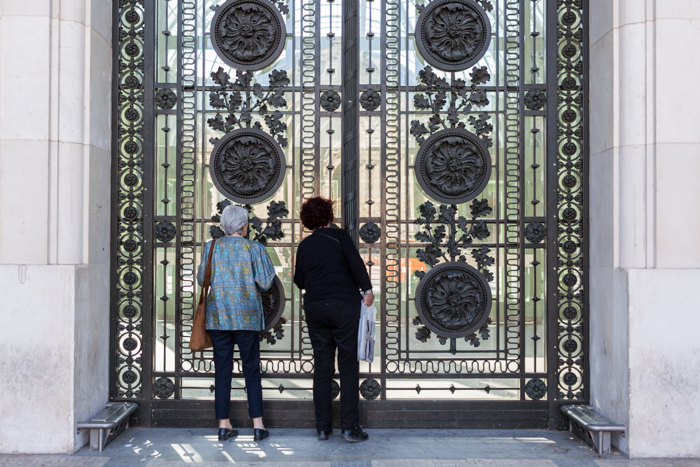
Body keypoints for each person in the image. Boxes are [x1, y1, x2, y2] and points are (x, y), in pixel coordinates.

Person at [293, 197, 374, 443]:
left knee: (323, 366)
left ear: (307, 220)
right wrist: (367, 290)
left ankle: (322, 428)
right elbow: (356, 264)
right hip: (344, 306)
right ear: (329, 216)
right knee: (347, 365)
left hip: (316, 307)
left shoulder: (304, 246)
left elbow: (299, 280)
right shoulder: (339, 237)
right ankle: (349, 428)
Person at [196, 205, 276, 442]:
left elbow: (202, 278)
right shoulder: (254, 248)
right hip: (247, 318)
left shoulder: (211, 247)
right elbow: (265, 282)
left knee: (222, 372)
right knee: (251, 370)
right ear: (243, 225)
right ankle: (258, 426)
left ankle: (223, 425)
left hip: (218, 316)